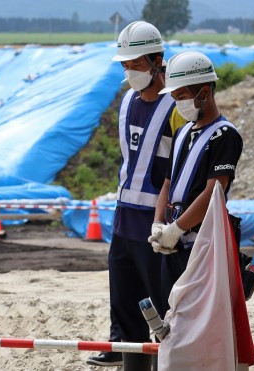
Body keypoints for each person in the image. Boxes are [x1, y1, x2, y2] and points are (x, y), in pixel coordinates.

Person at [88, 21, 185, 370]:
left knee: (162, 301)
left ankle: (170, 358)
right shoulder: (127, 100)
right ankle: (122, 347)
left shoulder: (176, 106)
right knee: (124, 297)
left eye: (137, 64)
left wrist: (166, 222)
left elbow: (176, 171)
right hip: (124, 216)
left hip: (156, 221)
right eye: (125, 65)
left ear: (158, 60)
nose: (130, 71)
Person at [149, 51, 243, 302]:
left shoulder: (224, 136)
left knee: (195, 314)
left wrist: (177, 228)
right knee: (167, 311)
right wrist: (159, 223)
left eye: (181, 96)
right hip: (175, 242)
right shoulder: (182, 133)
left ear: (204, 92)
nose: (177, 102)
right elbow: (167, 183)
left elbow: (214, 191)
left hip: (201, 245)